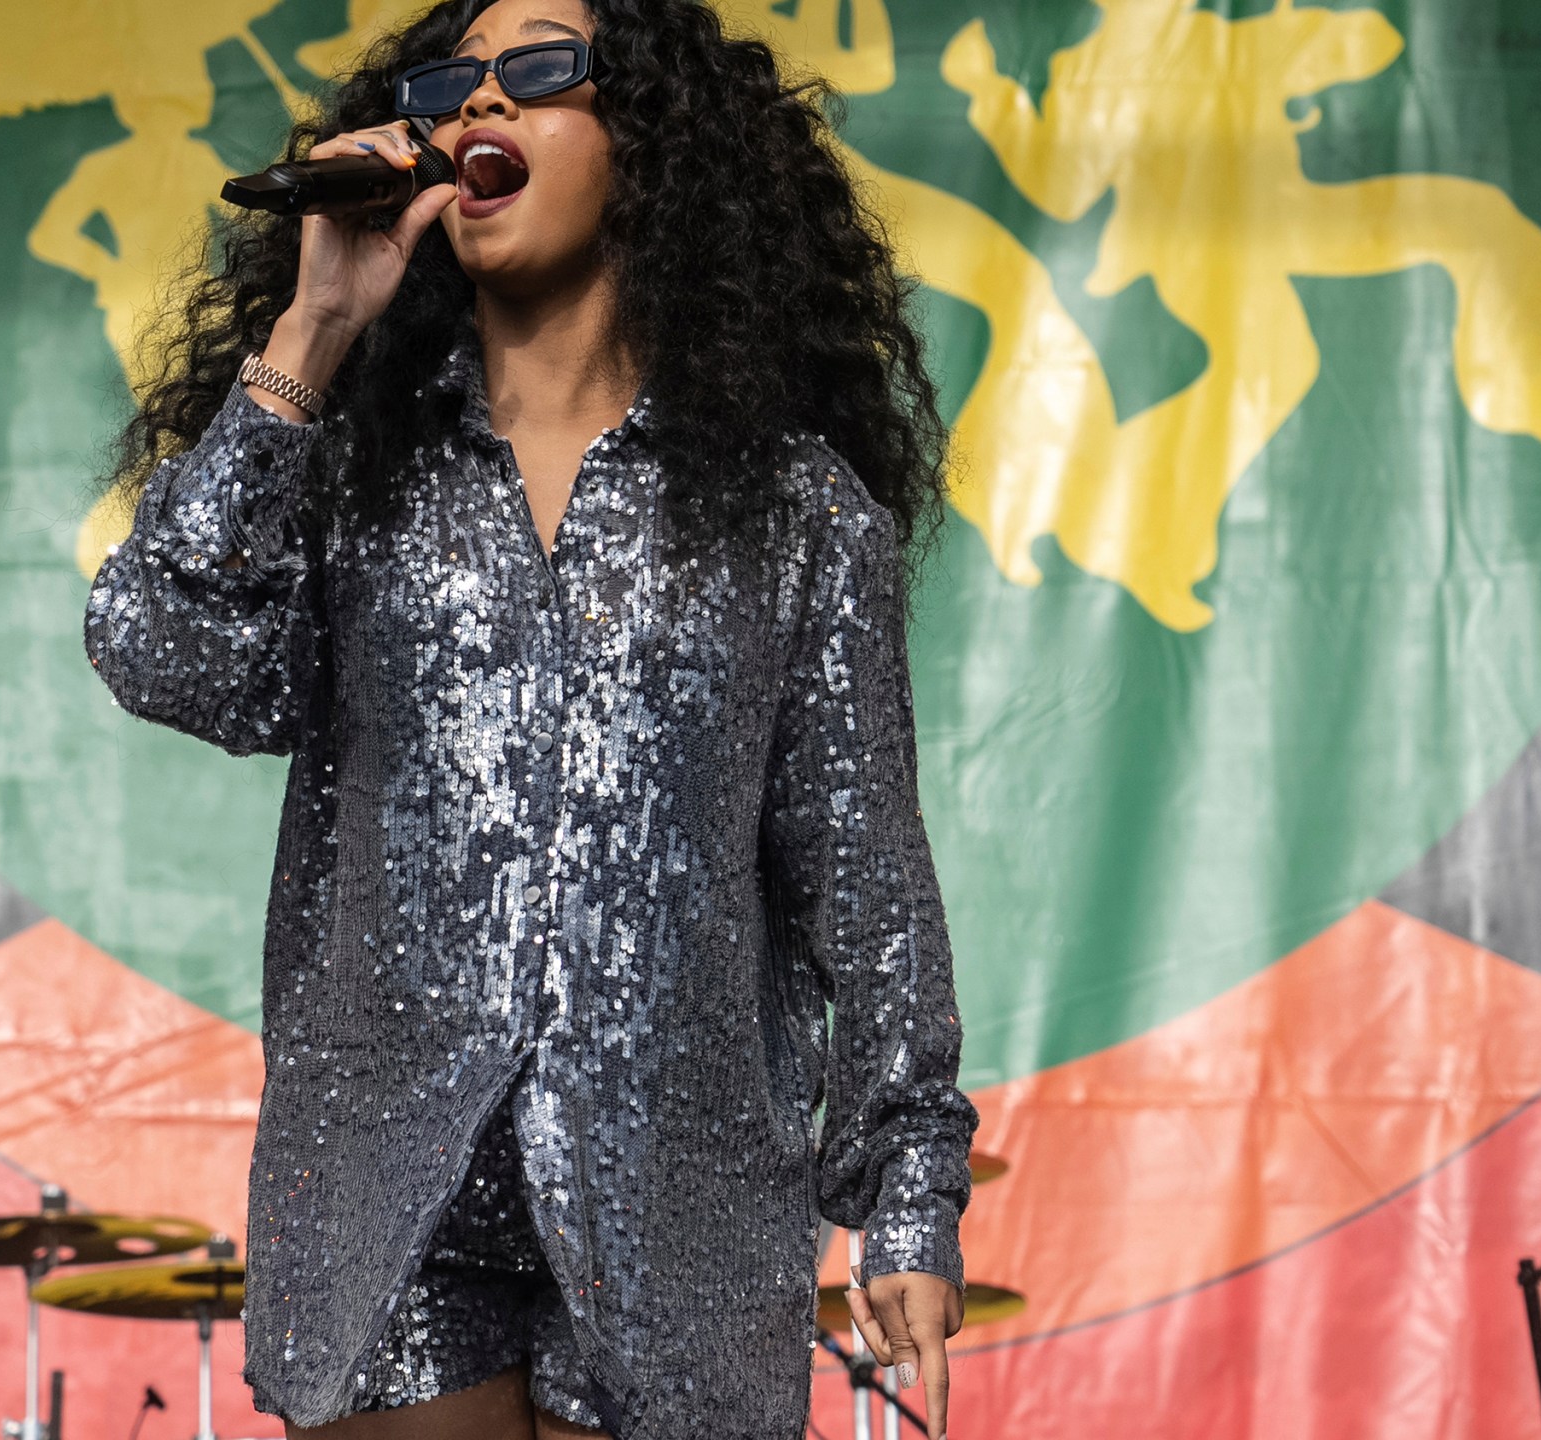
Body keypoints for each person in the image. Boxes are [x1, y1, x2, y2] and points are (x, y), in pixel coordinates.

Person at [83, 0, 978, 1434]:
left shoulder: (796, 514)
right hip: (389, 1199)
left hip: (678, 1204)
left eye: (542, 71)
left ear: (654, 145)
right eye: (456, 82)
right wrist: (313, 333)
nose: (483, 105)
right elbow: (161, 652)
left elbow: (866, 888)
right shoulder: (352, 471)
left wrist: (910, 1196)